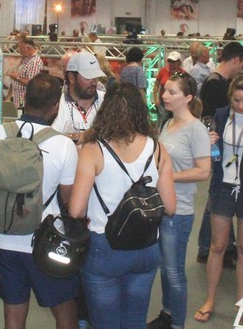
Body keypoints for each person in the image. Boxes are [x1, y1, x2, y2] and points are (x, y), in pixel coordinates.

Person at [0, 74, 79, 329]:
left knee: (13, 314)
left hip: (3, 238)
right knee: (65, 310)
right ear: (55, 105)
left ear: (25, 99)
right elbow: (68, 200)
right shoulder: (64, 145)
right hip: (46, 242)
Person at [69, 83, 176, 329]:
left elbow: (76, 210)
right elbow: (170, 207)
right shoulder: (157, 149)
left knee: (104, 322)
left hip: (104, 247)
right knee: (135, 320)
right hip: (146, 246)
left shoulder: (93, 150)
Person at [194, 76, 243, 322]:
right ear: (230, 97)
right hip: (222, 188)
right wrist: (210, 145)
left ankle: (242, 302)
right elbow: (214, 157)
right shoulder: (219, 116)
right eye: (236, 100)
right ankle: (210, 298)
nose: (240, 106)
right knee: (217, 246)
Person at [148, 73, 211, 329]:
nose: (164, 96)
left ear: (188, 98)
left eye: (172, 92)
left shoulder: (196, 130)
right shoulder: (167, 124)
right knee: (164, 267)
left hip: (180, 211)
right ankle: (167, 313)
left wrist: (167, 177)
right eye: (164, 90)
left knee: (174, 272)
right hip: (161, 206)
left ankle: (177, 324)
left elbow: (203, 171)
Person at [195, 42, 243, 264]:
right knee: (216, 200)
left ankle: (220, 244)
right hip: (219, 148)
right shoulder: (215, 84)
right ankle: (209, 246)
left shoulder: (218, 82)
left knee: (217, 201)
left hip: (222, 150)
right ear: (235, 60)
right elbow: (211, 121)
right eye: (242, 65)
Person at [51, 52, 106, 140]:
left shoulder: (107, 100)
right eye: (88, 77)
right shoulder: (57, 104)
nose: (94, 82)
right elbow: (50, 138)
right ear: (71, 78)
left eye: (96, 76)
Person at [8, 35, 44, 110]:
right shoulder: (26, 59)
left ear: (28, 48)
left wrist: (16, 78)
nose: (20, 52)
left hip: (25, 102)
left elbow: (32, 83)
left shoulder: (34, 62)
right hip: (17, 100)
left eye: (21, 49)